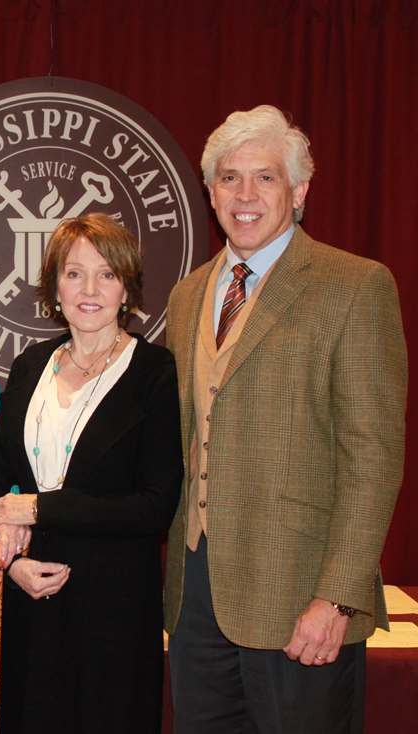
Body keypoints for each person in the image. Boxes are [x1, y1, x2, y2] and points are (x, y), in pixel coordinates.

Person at [164, 105, 408, 733]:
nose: (244, 195)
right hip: (197, 600)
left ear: (299, 191)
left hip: (302, 600)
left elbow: (373, 458)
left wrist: (338, 597)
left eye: (264, 178)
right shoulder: (188, 293)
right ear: (210, 190)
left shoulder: (354, 286)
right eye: (228, 177)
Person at [0, 213, 183, 732]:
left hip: (113, 611)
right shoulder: (31, 365)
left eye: (106, 274)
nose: (89, 289)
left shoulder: (154, 372)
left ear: (127, 289)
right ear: (55, 289)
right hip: (30, 600)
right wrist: (11, 562)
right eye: (74, 273)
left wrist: (41, 507)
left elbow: (155, 503)